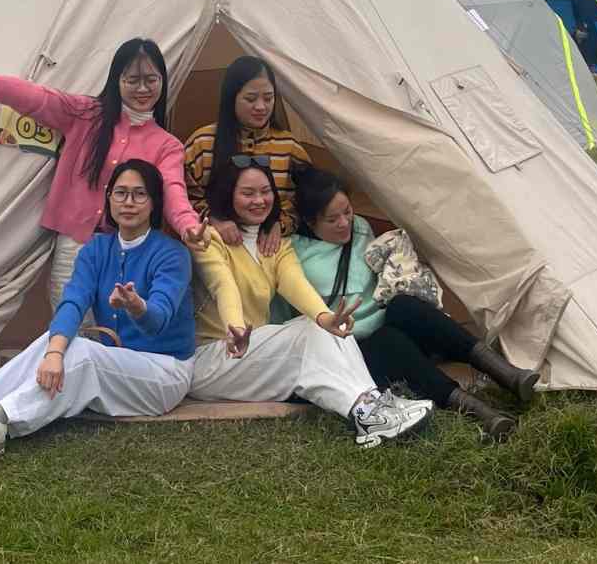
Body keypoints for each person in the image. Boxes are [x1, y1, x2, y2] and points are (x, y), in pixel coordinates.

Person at [0, 160, 196, 456]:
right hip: (119, 360)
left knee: (84, 354)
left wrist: (138, 307)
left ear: (154, 203)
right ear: (108, 198)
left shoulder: (172, 255)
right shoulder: (97, 249)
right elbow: (73, 302)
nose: (129, 202)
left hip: (164, 372)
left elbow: (159, 319)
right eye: (120, 193)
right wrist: (53, 353)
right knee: (56, 342)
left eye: (140, 194)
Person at [0, 38, 203, 314]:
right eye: (132, 79)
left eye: (151, 79)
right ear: (116, 80)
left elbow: (173, 191)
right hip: (75, 246)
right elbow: (31, 96)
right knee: (71, 327)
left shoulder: (167, 145)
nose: (142, 88)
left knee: (115, 332)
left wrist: (188, 226)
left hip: (128, 252)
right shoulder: (85, 115)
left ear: (163, 81)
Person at [185, 157, 431, 445]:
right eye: (248, 193)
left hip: (251, 356)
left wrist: (328, 319)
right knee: (307, 331)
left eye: (265, 192)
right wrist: (234, 328)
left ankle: (373, 405)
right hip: (215, 358)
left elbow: (297, 285)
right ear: (229, 195)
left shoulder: (276, 245)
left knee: (324, 325)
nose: (259, 200)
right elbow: (222, 285)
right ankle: (367, 413)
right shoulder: (210, 240)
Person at [291, 166, 538, 440]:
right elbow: (290, 320)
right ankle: (479, 411)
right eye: (332, 219)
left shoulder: (360, 227)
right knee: (387, 340)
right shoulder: (294, 253)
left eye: (347, 211)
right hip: (358, 347)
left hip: (390, 319)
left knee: (404, 306)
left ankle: (507, 374)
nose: (344, 222)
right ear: (310, 222)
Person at [183, 56, 312, 248]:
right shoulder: (202, 143)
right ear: (231, 97)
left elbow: (308, 199)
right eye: (250, 99)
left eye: (268, 98)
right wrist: (213, 220)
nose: (261, 107)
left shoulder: (289, 146)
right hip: (215, 248)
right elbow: (181, 199)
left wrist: (281, 223)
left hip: (271, 252)